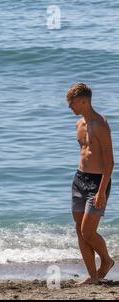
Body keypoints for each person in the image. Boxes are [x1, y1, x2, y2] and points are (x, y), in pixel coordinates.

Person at [67, 83, 115, 285]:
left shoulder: (100, 124)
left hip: (97, 182)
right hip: (79, 179)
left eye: (73, 103)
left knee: (88, 231)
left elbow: (110, 161)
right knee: (80, 231)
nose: (70, 107)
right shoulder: (79, 125)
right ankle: (93, 276)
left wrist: (102, 191)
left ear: (84, 101)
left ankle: (107, 261)